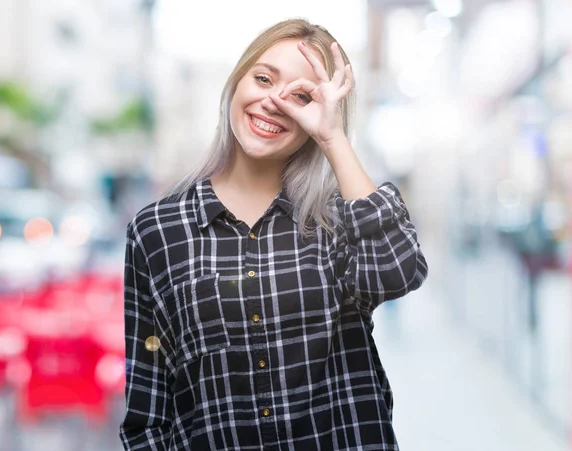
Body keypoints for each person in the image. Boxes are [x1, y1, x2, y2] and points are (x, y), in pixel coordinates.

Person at [120, 18, 428, 451]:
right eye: (263, 78)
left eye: (302, 96)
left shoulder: (340, 220)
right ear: (236, 82)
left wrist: (333, 137)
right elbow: (148, 411)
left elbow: (398, 272)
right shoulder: (157, 231)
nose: (274, 102)